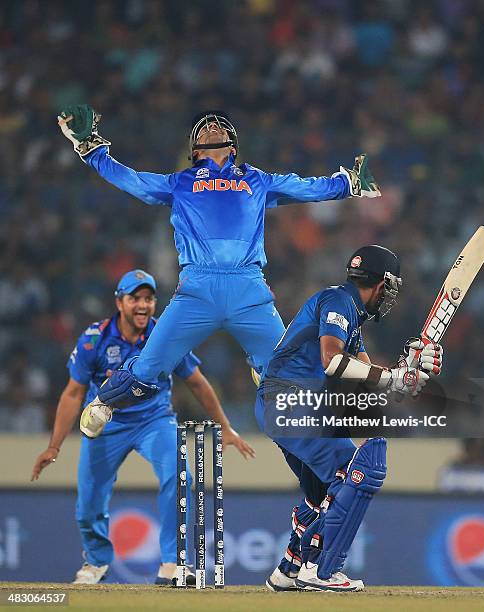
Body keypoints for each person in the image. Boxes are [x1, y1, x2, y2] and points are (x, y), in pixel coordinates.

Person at [57, 105, 381, 438]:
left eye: (220, 126)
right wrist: (91, 150)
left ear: (233, 145)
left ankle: (267, 369)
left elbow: (306, 188)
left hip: (248, 289)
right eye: (205, 127)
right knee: (147, 369)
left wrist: (348, 183)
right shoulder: (180, 182)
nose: (212, 126)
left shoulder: (256, 179)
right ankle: (103, 403)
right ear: (194, 150)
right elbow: (133, 181)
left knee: (288, 376)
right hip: (197, 290)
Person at [31, 269, 254, 585]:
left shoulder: (165, 335)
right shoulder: (94, 339)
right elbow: (73, 393)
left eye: (148, 298)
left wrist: (226, 427)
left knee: (180, 476)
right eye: (135, 298)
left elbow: (198, 383)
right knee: (89, 502)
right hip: (106, 424)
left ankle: (173, 564)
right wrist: (54, 446)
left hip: (155, 420)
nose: (143, 305)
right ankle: (95, 563)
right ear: (119, 302)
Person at [255, 245, 443, 592]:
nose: (390, 297)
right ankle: (318, 570)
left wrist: (408, 374)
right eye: (391, 287)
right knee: (357, 469)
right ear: (381, 282)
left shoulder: (351, 314)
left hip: (287, 403)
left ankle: (288, 570)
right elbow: (331, 360)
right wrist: (392, 377)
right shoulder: (339, 300)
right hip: (291, 401)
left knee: (322, 492)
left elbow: (368, 375)